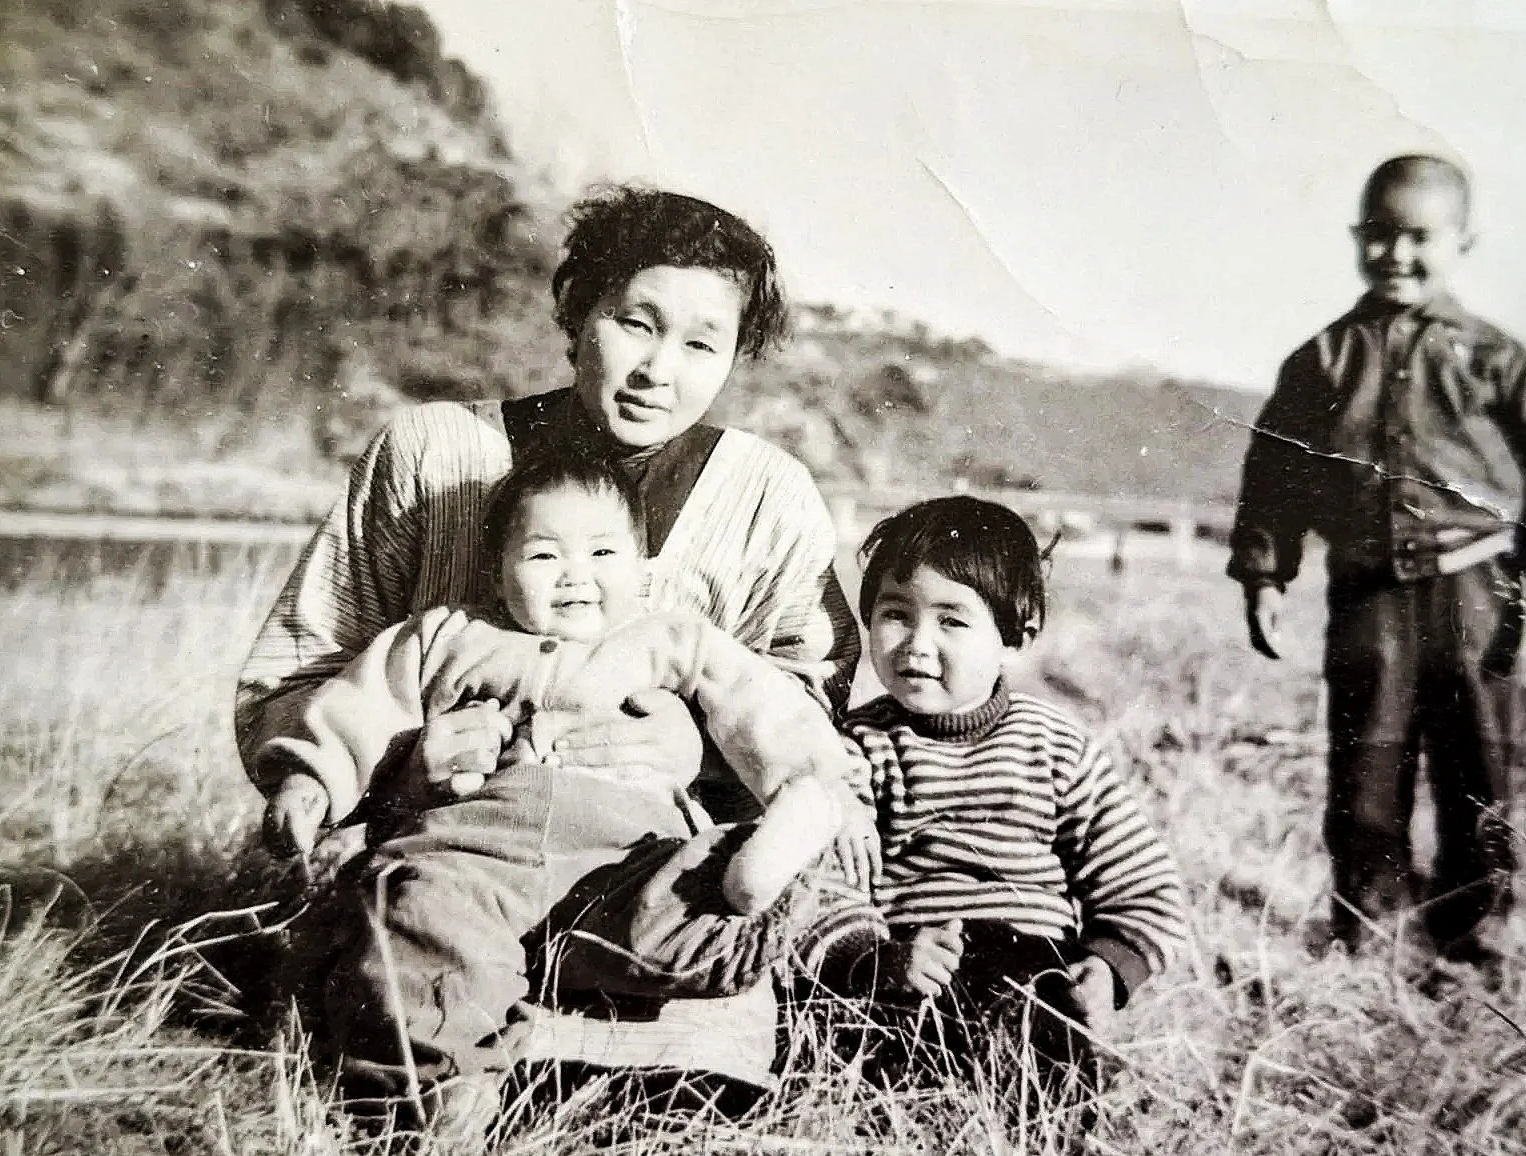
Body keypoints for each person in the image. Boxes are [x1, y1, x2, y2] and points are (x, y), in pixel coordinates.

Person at [235, 185, 864, 1104]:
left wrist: (699, 752)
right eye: (633, 322)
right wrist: (403, 762)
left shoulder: (770, 497)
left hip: (648, 924)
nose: (659, 369)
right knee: (412, 1025)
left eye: (702, 343)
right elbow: (299, 674)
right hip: (449, 885)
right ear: (576, 314)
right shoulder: (429, 456)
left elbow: (813, 717)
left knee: (679, 1066)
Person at [256, 448, 859, 1132]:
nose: (576, 576)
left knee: (688, 897)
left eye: (603, 553)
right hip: (472, 851)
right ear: (496, 568)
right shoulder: (445, 636)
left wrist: (805, 773)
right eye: (544, 557)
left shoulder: (669, 639)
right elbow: (362, 710)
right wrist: (311, 780)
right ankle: (447, 1091)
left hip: (623, 854)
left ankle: (758, 869)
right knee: (421, 917)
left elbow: (761, 706)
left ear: (641, 566)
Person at [1227, 154, 1526, 960]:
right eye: (1379, 235)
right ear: (1358, 239)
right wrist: (1263, 572)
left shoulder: (1497, 357)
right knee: (1366, 770)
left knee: (1479, 766)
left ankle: (1476, 929)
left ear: (1464, 243)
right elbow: (1275, 476)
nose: (1397, 254)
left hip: (1477, 590)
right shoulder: (1322, 360)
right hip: (1368, 596)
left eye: (1419, 236)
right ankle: (1370, 930)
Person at [829, 496, 1187, 1142]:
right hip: (912, 971)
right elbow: (832, 882)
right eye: (895, 615)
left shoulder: (1055, 744)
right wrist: (877, 958)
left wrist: (1108, 967)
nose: (917, 643)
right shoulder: (856, 748)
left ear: (1014, 636)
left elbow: (1143, 882)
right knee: (888, 1105)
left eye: (952, 621)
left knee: (1043, 1092)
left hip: (1034, 976)